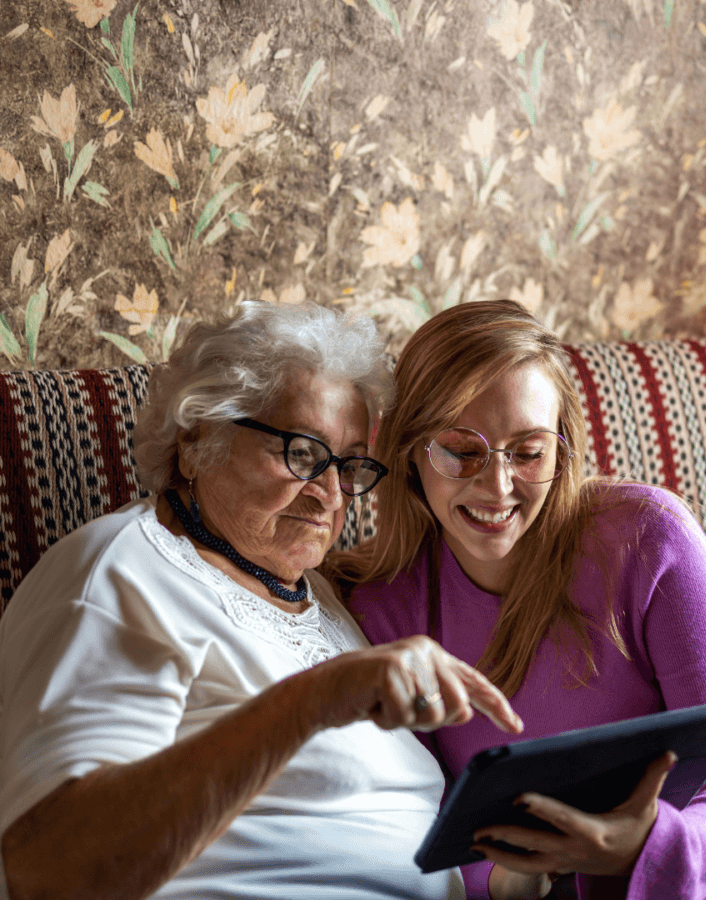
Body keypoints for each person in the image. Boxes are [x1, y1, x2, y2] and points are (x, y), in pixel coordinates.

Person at [335, 299, 706, 900]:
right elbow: (420, 825)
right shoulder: (385, 611)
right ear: (411, 451)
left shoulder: (646, 534)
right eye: (461, 450)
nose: (497, 486)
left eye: (528, 451)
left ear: (562, 449)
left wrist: (651, 846)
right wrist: (509, 878)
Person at [0, 301, 522, 900]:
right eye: (302, 453)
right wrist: (312, 702)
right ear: (197, 440)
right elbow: (49, 871)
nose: (330, 496)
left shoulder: (320, 597)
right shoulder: (121, 574)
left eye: (349, 465)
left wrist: (520, 874)